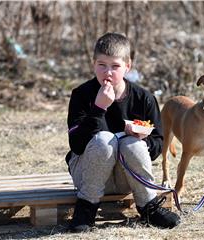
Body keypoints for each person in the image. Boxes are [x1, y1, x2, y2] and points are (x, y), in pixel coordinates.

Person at [65, 32, 180, 232]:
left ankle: (148, 207)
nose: (107, 72)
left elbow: (158, 145)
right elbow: (76, 145)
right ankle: (86, 209)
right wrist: (99, 109)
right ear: (93, 64)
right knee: (104, 140)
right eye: (102, 65)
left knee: (132, 143)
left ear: (128, 66)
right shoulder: (81, 95)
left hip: (128, 178)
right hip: (87, 175)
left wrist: (143, 140)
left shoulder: (144, 98)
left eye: (115, 66)